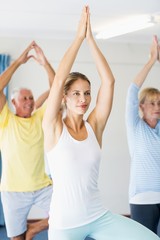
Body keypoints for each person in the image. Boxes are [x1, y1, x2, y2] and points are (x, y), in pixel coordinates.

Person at [42, 6, 160, 240]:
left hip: (98, 217)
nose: (83, 99)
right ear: (65, 97)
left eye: (87, 93)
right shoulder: (53, 127)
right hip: (65, 224)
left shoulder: (94, 126)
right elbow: (56, 83)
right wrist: (78, 39)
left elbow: (109, 81)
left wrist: (91, 40)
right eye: (76, 93)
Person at [0, 41, 55, 240]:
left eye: (31, 98)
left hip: (42, 186)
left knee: (66, 211)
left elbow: (57, 89)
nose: (30, 101)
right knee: (17, 238)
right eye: (25, 99)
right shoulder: (5, 119)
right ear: (13, 102)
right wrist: (19, 63)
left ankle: (34, 229)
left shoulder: (39, 117)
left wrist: (44, 63)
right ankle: (26, 233)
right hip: (13, 191)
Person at [125, 35, 160, 236]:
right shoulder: (135, 126)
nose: (156, 107)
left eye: (159, 103)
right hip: (142, 198)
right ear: (141, 106)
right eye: (152, 103)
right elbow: (132, 91)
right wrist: (151, 60)